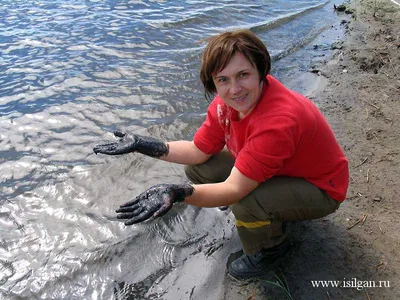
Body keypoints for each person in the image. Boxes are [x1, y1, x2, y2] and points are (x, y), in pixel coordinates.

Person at [93, 29, 349, 280]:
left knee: (246, 202)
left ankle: (271, 248)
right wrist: (142, 143)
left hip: (319, 188)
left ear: (261, 71)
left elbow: (235, 190)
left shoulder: (277, 122)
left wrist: (177, 193)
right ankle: (268, 210)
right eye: (223, 80)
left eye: (243, 75)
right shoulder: (225, 105)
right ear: (213, 82)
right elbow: (197, 151)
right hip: (284, 170)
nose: (234, 89)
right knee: (199, 169)